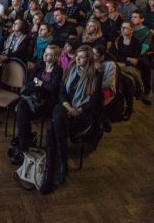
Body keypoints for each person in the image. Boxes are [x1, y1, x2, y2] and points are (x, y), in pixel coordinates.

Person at [40, 46, 103, 195]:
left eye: (82, 57)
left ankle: (50, 172)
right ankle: (62, 164)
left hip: (82, 112)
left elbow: (93, 101)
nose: (78, 59)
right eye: (77, 56)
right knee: (58, 117)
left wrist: (78, 111)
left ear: (89, 59)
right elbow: (62, 92)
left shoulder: (95, 75)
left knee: (52, 127)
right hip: (65, 107)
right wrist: (69, 108)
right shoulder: (70, 69)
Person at [11, 45, 62, 165]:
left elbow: (53, 89)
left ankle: (24, 143)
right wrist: (40, 84)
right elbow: (29, 81)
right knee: (22, 107)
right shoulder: (39, 65)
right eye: (45, 52)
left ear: (54, 57)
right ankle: (25, 142)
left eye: (48, 54)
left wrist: (40, 83)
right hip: (33, 96)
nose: (45, 55)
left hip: (46, 101)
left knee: (22, 111)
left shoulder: (58, 70)